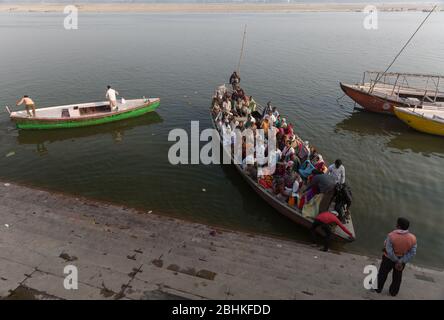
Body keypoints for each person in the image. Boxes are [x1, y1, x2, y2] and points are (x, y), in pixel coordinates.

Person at [376, 217, 417, 296]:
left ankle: (378, 288)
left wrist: (395, 259)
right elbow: (412, 252)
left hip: (388, 259)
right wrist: (401, 261)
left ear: (398, 226)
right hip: (402, 259)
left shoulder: (391, 235)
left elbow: (389, 251)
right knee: (397, 276)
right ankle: (393, 292)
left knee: (383, 273)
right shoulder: (413, 238)